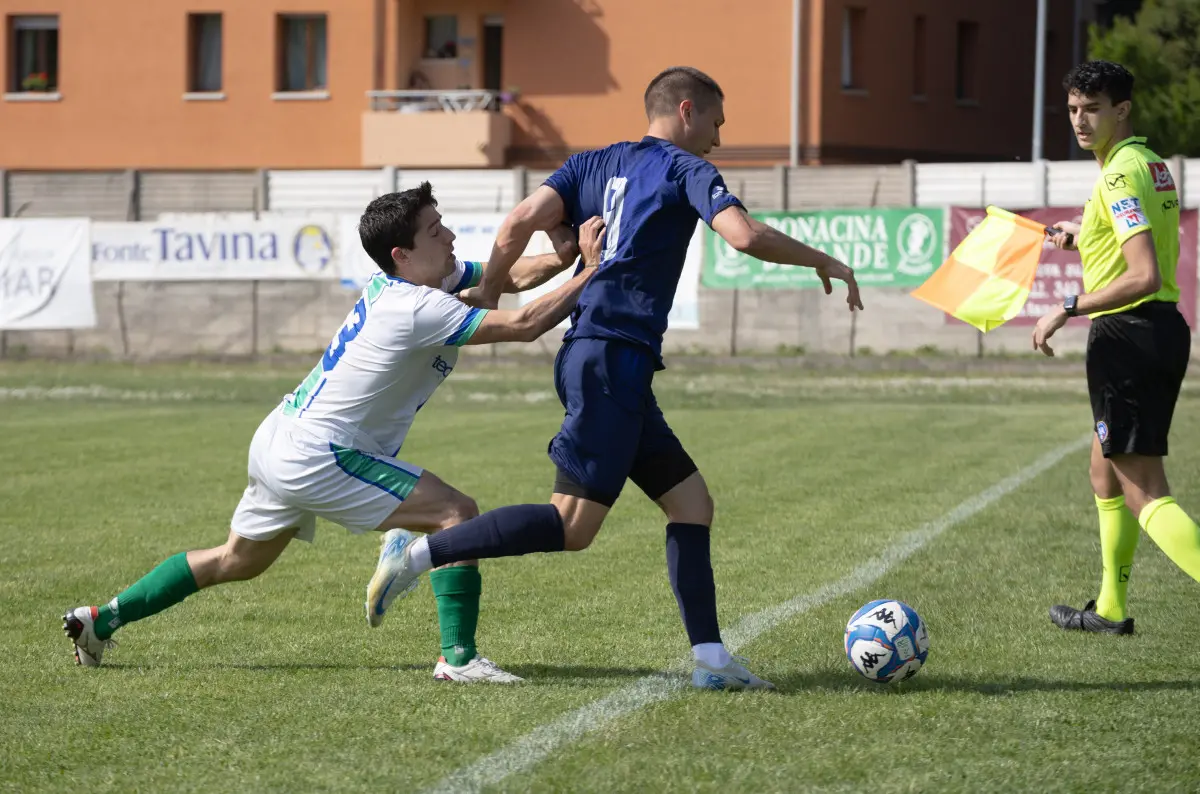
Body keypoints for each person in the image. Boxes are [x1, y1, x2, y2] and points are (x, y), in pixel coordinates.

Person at [364, 66, 862, 691]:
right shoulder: (688, 171)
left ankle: (711, 661)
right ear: (686, 111)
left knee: (691, 504)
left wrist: (493, 284)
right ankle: (418, 555)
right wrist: (824, 259)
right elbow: (744, 235)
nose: (717, 139)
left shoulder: (592, 164)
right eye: (715, 122)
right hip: (610, 360)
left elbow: (518, 222)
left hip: (608, 361)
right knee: (572, 527)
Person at [63, 182, 607, 683]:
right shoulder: (414, 307)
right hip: (320, 453)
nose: (449, 236)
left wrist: (566, 259)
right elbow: (524, 324)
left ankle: (102, 619)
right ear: (403, 253)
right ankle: (458, 657)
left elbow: (503, 278)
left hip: (280, 437)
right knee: (455, 513)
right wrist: (592, 272)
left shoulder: (406, 282)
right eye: (436, 231)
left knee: (236, 560)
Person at [1038, 60, 1199, 634]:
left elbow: (1144, 274)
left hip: (1130, 333)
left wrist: (1069, 306)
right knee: (1103, 471)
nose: (1080, 121)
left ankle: (1111, 605)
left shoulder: (1117, 175)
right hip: (1153, 332)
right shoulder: (1146, 163)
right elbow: (1135, 236)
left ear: (1122, 110)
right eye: (1074, 110)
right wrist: (1082, 235)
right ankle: (1109, 609)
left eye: (1093, 109)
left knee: (1144, 492)